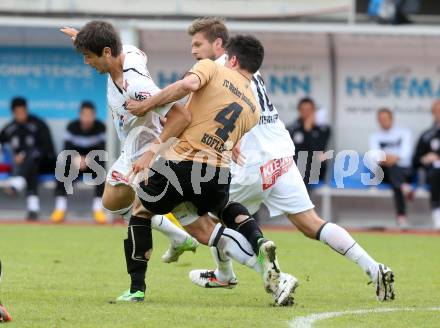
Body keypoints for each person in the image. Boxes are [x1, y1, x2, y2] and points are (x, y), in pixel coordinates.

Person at [167, 17, 394, 302]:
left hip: (251, 162)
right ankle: (374, 268)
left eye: (197, 44)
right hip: (282, 157)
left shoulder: (220, 69)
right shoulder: (249, 68)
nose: (194, 51)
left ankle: (235, 276)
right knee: (312, 223)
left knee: (210, 218)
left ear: (218, 44)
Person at [125, 34, 296, 306]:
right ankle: (260, 244)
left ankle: (135, 289)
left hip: (182, 164)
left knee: (140, 209)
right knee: (217, 217)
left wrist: (146, 104)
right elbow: (230, 138)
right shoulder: (253, 106)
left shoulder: (212, 67)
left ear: (233, 59)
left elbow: (186, 86)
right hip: (217, 174)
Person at [60, 20, 199, 300]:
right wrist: (83, 38)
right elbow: (132, 52)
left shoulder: (136, 86)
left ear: (107, 52)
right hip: (131, 149)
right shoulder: (127, 53)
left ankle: (139, 287)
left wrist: (151, 153)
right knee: (112, 202)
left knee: (154, 216)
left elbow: (182, 116)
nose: (86, 62)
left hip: (147, 153)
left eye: (88, 56)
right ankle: (180, 237)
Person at [50, 101, 107, 223]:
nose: (87, 118)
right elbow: (66, 148)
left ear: (94, 115)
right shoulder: (72, 127)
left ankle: (98, 208)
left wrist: (87, 160)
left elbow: (102, 149)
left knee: (101, 166)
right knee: (62, 165)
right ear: (80, 115)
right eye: (84, 115)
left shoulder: (100, 127)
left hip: (93, 164)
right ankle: (60, 207)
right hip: (75, 164)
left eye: (90, 115)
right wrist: (77, 159)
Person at [0, 97, 56, 220]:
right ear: (13, 112)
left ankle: (19, 181)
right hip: (26, 168)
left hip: (45, 164)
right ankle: (33, 209)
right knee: (31, 167)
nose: (21, 115)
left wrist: (25, 154)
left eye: (23, 111)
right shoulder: (9, 129)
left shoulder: (38, 124)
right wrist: (13, 155)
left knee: (32, 156)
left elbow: (48, 149)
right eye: (18, 112)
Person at [368, 108, 413, 228]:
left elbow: (406, 153)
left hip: (404, 171)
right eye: (381, 119)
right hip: (384, 172)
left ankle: (401, 216)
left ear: (391, 119)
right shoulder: (375, 136)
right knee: (396, 177)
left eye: (386, 118)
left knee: (396, 177)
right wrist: (387, 159)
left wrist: (393, 158)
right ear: (378, 121)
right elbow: (374, 156)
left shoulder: (404, 133)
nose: (384, 121)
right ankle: (401, 217)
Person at [287, 97, 331, 189]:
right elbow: (293, 151)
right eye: (304, 110)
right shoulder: (292, 128)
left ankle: (302, 199)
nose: (306, 113)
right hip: (296, 166)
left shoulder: (323, 129)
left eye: (309, 110)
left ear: (314, 111)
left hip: (315, 167)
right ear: (299, 111)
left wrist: (308, 130)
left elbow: (318, 150)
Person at [413, 100, 440, 230]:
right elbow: (416, 160)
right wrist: (425, 159)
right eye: (437, 111)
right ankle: (437, 214)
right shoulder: (427, 135)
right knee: (436, 170)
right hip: (433, 174)